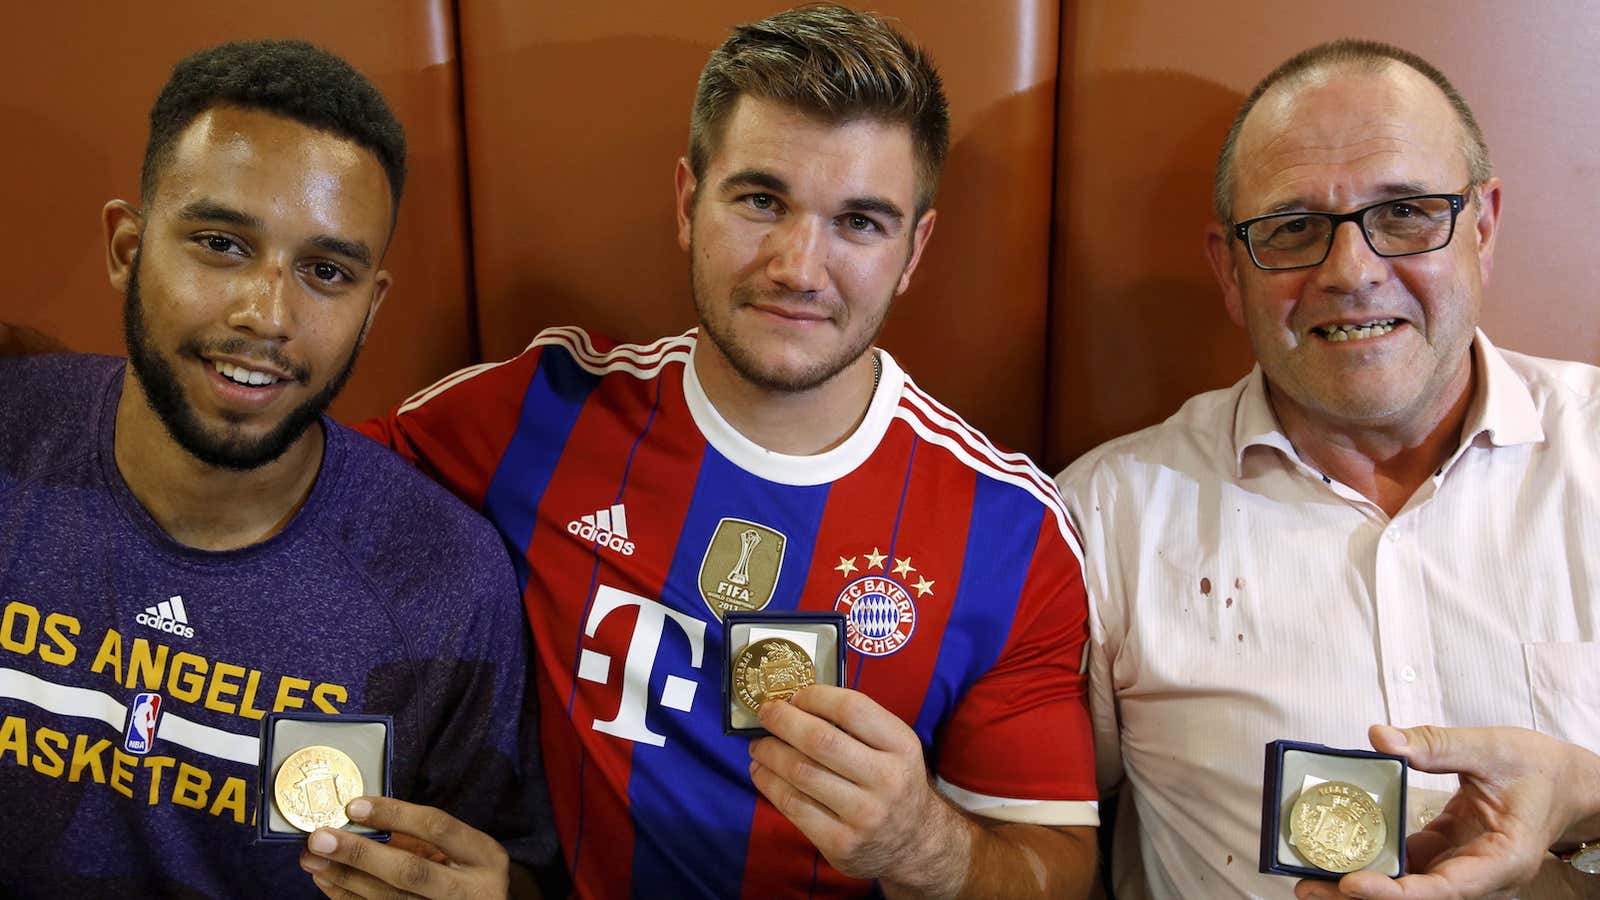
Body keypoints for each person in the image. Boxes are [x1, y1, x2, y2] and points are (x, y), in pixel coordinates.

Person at [302, 5, 1099, 898]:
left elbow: (1057, 872)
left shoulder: (1012, 532)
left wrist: (926, 847)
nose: (800, 266)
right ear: (689, 202)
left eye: (861, 223)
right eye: (762, 200)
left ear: (914, 250)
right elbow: (291, 495)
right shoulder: (540, 408)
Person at [0, 40, 551, 897]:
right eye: (221, 243)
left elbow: (508, 871)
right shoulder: (10, 430)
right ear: (126, 247)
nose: (269, 314)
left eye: (326, 271)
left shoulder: (446, 583)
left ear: (372, 307)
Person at [1056, 38, 1600, 900]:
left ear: (1484, 227)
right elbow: (1023, 836)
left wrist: (1588, 797)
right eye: (1293, 229)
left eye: (1408, 212)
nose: (1351, 271)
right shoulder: (1104, 521)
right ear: (1228, 273)